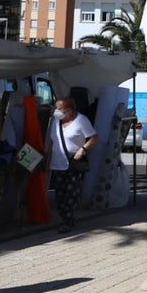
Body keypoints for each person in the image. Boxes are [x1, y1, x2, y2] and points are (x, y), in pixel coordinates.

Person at [46, 97, 97, 233]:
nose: (56, 111)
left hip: (73, 163)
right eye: (56, 108)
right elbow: (52, 141)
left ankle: (67, 221)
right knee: (59, 195)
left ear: (69, 110)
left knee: (70, 194)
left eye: (59, 108)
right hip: (57, 163)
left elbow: (93, 137)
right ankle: (67, 219)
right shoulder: (55, 122)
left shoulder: (81, 120)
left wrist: (82, 149)